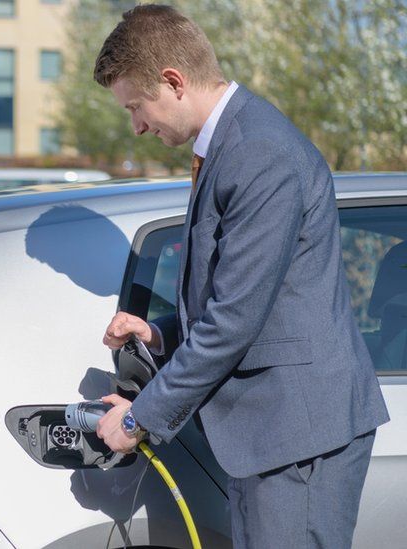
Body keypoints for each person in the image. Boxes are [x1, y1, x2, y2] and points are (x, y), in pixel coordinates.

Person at [90, 5, 389, 548]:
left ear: (174, 82)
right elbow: (249, 300)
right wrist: (159, 333)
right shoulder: (232, 143)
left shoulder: (256, 151)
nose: (136, 125)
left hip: (298, 436)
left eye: (136, 105)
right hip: (275, 434)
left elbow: (234, 319)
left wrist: (139, 422)